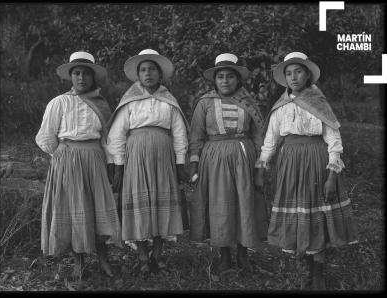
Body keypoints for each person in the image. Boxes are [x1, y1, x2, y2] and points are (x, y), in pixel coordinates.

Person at [255, 52, 358, 290]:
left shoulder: (319, 103)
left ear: (308, 75)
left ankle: (318, 269)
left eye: (298, 71)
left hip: (316, 161)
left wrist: (332, 175)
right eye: (289, 73)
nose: (293, 77)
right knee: (299, 210)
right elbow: (270, 140)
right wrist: (262, 167)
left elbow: (334, 139)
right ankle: (305, 262)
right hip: (290, 163)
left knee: (316, 210)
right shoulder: (280, 107)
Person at [35, 51, 122, 278]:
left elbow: (108, 139)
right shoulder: (60, 102)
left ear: (93, 78)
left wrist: (112, 163)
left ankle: (103, 259)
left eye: (86, 74)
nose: (81, 78)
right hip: (68, 159)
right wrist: (60, 153)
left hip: (94, 158)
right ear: (70, 77)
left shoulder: (101, 105)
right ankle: (79, 262)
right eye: (76, 73)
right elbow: (45, 136)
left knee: (98, 208)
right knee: (75, 209)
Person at [107, 49, 189, 275]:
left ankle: (158, 254)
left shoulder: (169, 101)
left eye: (152, 69)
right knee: (139, 203)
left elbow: (180, 133)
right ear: (138, 75)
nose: (148, 73)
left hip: (163, 156)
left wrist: (180, 162)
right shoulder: (129, 101)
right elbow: (117, 135)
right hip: (136, 156)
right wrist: (119, 166)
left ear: (160, 74)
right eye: (143, 70)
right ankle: (143, 256)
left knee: (161, 201)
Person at [188, 53, 268, 274]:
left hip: (244, 158)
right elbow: (196, 136)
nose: (225, 81)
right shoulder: (205, 103)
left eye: (230, 76)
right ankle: (224, 256)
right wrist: (193, 166)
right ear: (214, 80)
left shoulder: (249, 103)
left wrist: (260, 167)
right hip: (214, 160)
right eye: (220, 76)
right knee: (220, 205)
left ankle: (243, 256)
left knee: (244, 203)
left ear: (238, 79)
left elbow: (259, 136)